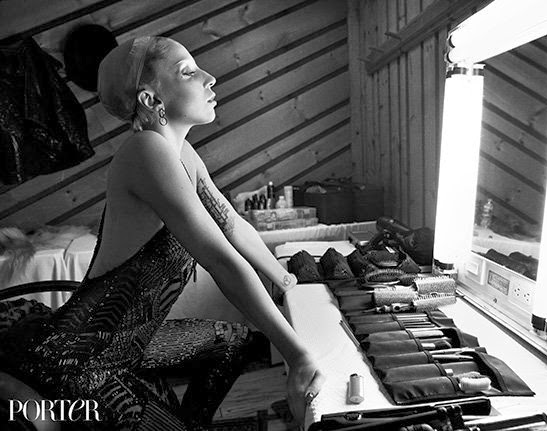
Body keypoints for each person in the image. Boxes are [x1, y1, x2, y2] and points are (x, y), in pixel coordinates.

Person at [0, 36, 323, 430]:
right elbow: (221, 260)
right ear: (151, 100)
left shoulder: (181, 153)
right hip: (84, 359)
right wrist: (297, 355)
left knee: (235, 341)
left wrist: (286, 281)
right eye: (188, 72)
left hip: (132, 341)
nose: (210, 78)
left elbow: (232, 224)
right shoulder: (145, 151)